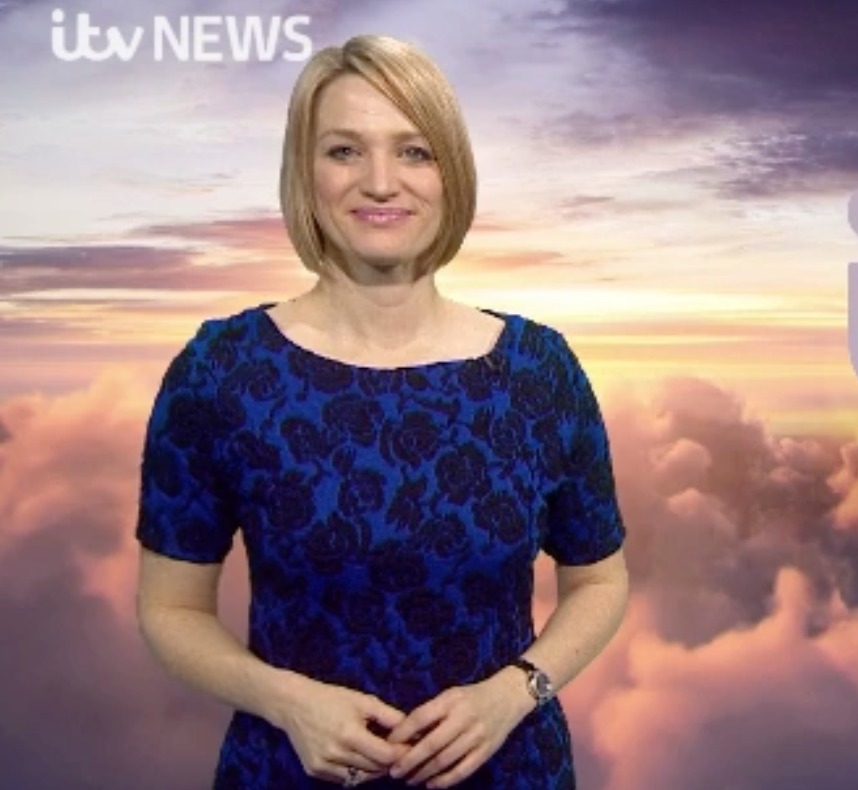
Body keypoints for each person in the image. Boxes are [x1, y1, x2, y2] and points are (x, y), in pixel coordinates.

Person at [133, 34, 629, 789]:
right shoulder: (220, 371)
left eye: (414, 151)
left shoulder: (540, 371)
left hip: (510, 771)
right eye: (344, 151)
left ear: (450, 173)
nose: (380, 182)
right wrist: (287, 702)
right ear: (305, 174)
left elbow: (599, 583)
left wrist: (513, 693)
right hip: (288, 772)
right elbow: (171, 610)